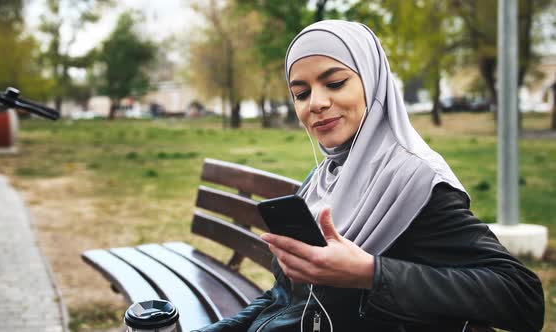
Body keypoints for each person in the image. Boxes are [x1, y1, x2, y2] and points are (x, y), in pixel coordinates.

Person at [193, 20, 544, 332]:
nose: (315, 102)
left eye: (334, 83)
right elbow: (284, 297)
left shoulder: (414, 181)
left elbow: (523, 299)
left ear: (373, 81)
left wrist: (370, 273)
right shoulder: (323, 177)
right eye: (301, 93)